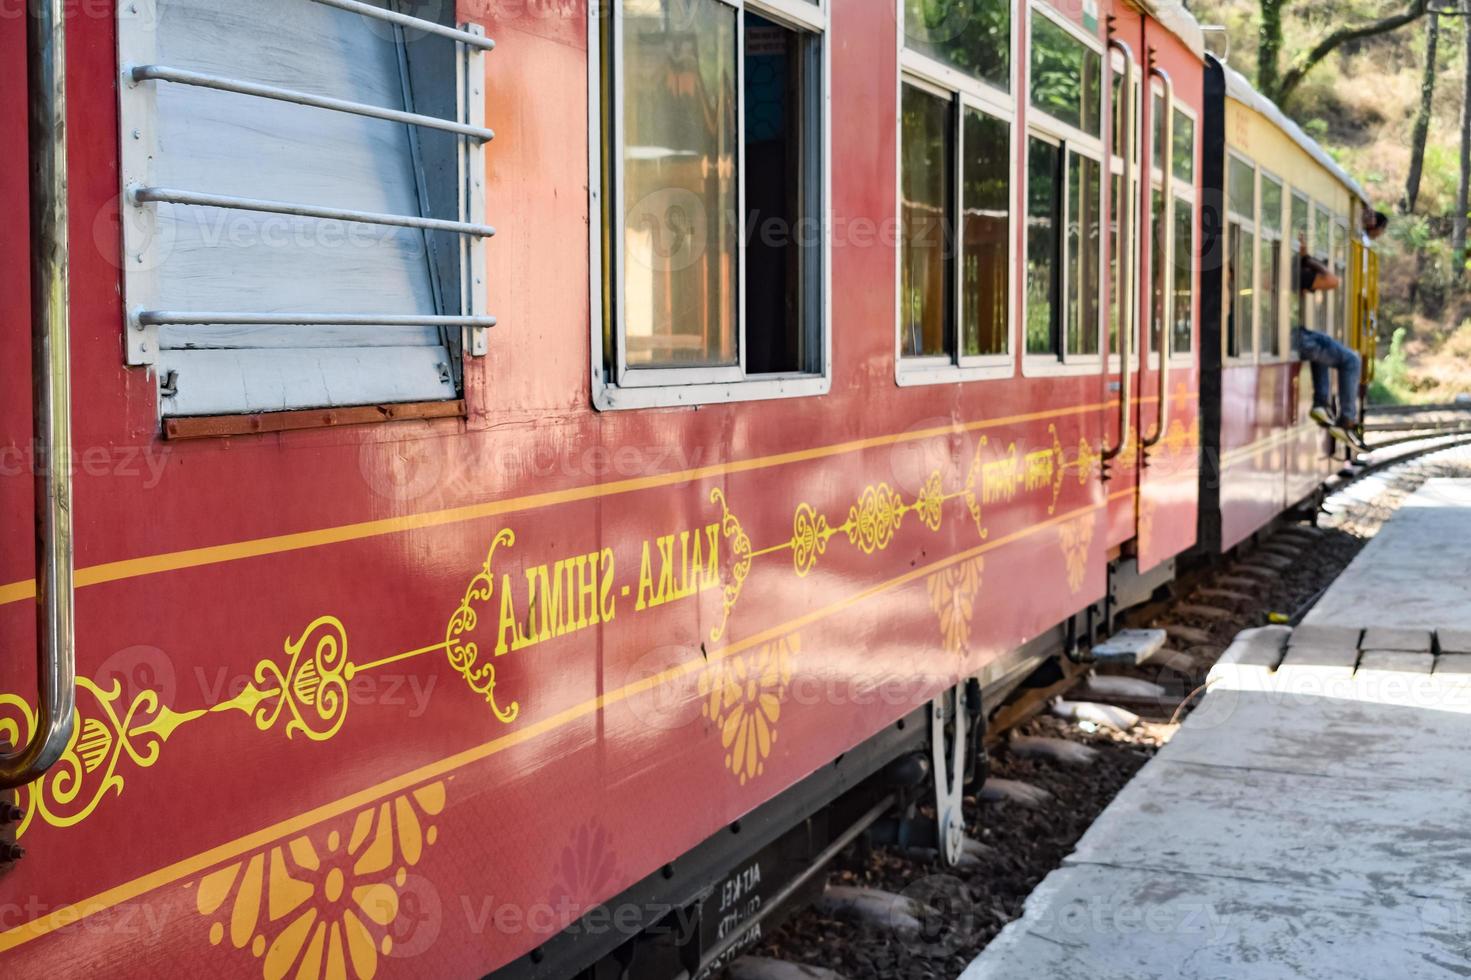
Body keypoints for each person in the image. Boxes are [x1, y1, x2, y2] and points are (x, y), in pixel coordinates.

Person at [1295, 234, 1364, 450]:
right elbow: (1332, 280)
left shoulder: (1283, 273)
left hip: (1295, 336)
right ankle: (1346, 419)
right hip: (1295, 339)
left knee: (1324, 344)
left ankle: (1322, 404)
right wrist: (1307, 258)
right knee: (1351, 360)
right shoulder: (1297, 273)